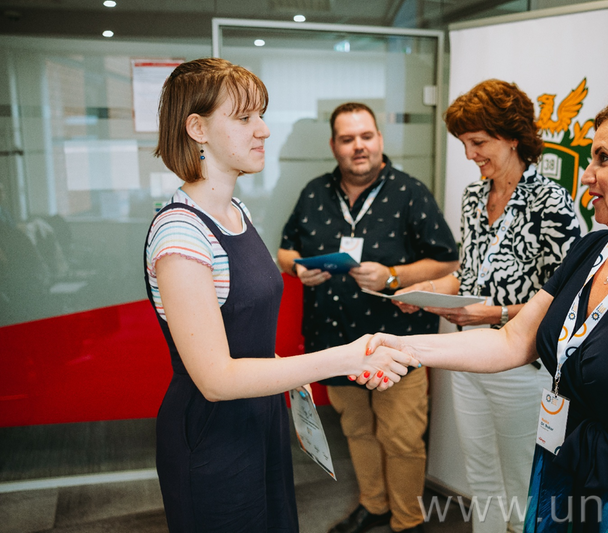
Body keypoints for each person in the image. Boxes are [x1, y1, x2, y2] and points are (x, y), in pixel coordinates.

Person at [362, 89, 608, 532]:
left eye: (604, 159)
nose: (587, 175)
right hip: (561, 471)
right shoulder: (592, 250)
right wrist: (401, 347)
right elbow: (513, 340)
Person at [144, 59, 417, 533]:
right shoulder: (181, 235)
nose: (264, 130)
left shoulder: (237, 212)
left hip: (259, 416)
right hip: (213, 434)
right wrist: (341, 358)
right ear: (197, 129)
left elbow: (240, 332)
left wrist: (283, 371)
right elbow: (216, 379)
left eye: (262, 116)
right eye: (244, 118)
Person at [394, 79, 580, 533]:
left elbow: (570, 296)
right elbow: (471, 272)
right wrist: (428, 290)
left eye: (478, 142)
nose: (469, 154)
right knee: (480, 474)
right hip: (468, 353)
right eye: (463, 143)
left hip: (521, 362)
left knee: (521, 479)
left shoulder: (551, 201)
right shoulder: (475, 196)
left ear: (512, 137)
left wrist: (495, 314)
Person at [277, 102, 459, 533]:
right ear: (334, 146)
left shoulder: (410, 192)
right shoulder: (314, 193)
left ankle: (408, 520)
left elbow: (448, 262)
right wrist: (297, 267)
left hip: (397, 343)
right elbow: (285, 250)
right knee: (357, 431)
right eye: (348, 139)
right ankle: (374, 504)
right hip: (334, 342)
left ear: (379, 139)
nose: (358, 146)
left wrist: (394, 274)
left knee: (401, 437)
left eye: (366, 136)